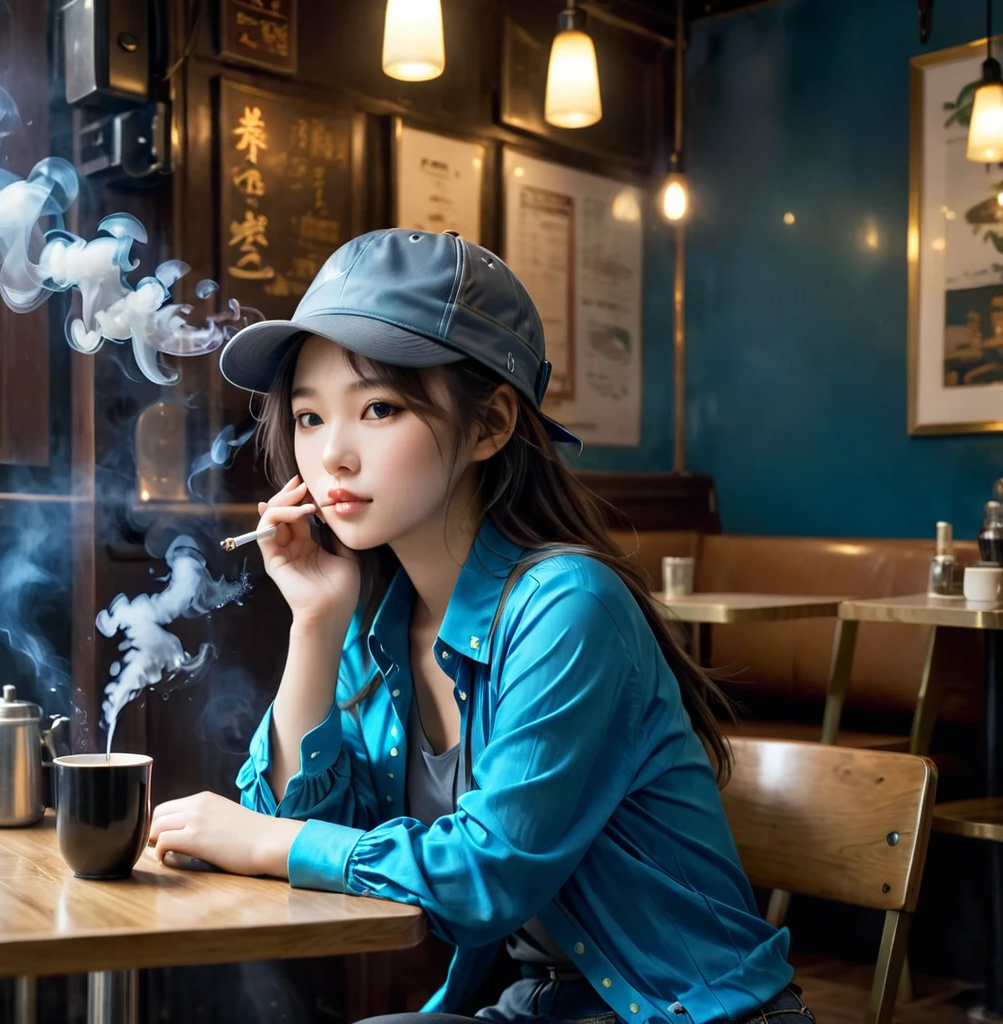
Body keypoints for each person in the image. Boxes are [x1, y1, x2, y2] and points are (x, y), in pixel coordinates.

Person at [149, 228, 813, 1024]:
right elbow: (300, 825)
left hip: (700, 1015)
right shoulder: (378, 621)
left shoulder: (570, 606)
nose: (333, 458)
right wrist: (317, 624)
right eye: (310, 418)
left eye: (380, 408)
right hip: (539, 1008)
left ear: (492, 425)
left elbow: (485, 874)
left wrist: (264, 842)